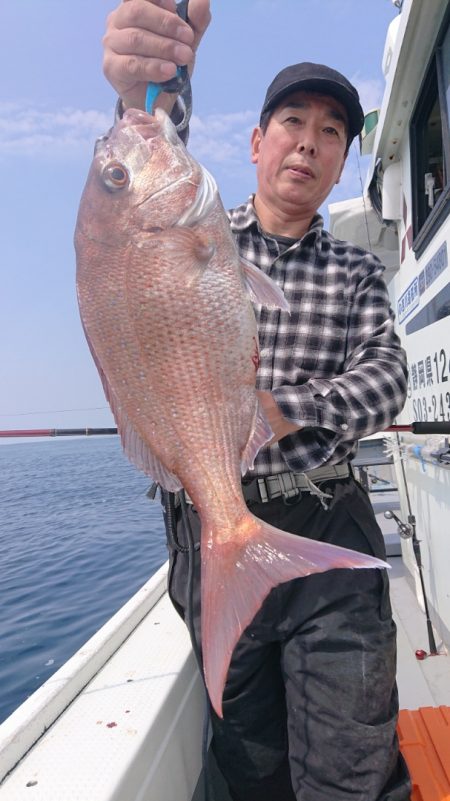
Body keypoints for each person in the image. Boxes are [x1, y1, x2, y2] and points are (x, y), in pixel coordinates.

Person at [103, 3, 411, 799]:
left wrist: (284, 408)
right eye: (292, 121)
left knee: (350, 762)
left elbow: (388, 379)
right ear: (255, 142)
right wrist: (152, 81)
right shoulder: (198, 229)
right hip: (214, 525)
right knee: (248, 764)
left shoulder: (354, 272)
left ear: (342, 164)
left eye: (332, 132)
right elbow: (147, 149)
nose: (309, 141)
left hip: (322, 523)